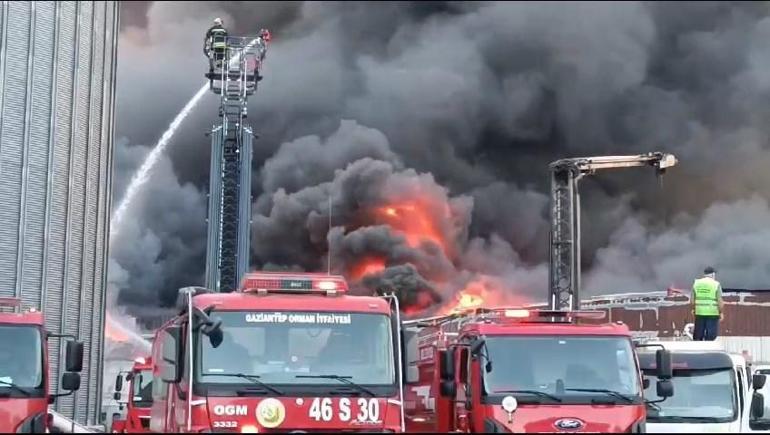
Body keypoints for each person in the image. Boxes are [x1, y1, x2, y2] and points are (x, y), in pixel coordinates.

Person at [691, 266, 724, 341]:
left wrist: (693, 309)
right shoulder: (716, 284)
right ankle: (708, 349)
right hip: (712, 313)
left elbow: (692, 300)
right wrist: (721, 312)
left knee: (698, 335)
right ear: (712, 275)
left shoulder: (696, 283)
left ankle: (698, 350)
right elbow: (720, 300)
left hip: (699, 313)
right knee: (711, 335)